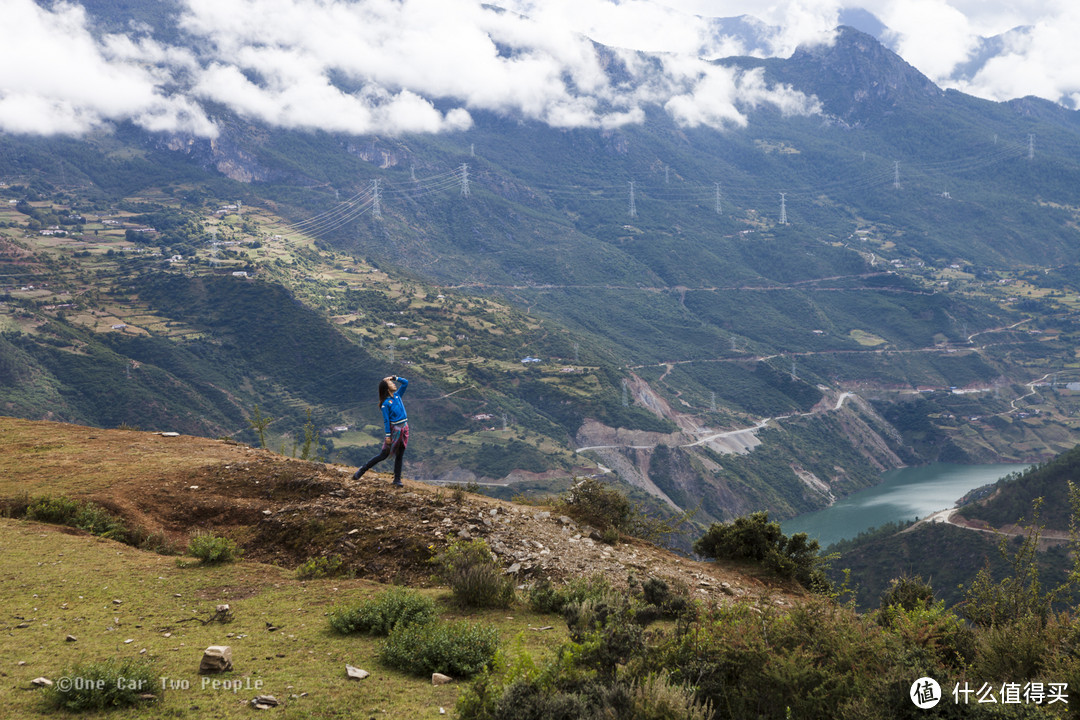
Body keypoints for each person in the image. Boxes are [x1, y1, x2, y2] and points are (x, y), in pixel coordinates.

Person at [353, 375, 409, 486]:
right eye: (391, 383)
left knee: (400, 454)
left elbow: (405, 382)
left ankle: (397, 480)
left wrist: (394, 378)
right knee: (383, 455)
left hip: (404, 429)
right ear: (387, 388)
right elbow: (386, 421)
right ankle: (362, 470)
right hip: (395, 431)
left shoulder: (398, 396)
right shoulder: (385, 404)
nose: (393, 384)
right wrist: (388, 436)